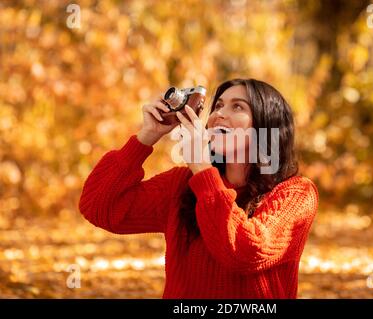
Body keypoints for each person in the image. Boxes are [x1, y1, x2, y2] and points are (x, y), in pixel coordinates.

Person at [79, 78, 319, 298]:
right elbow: (99, 207)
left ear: (266, 126)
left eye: (238, 107)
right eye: (218, 106)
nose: (219, 115)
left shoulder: (296, 193)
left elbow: (245, 252)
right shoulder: (183, 184)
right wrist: (146, 137)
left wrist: (203, 169)